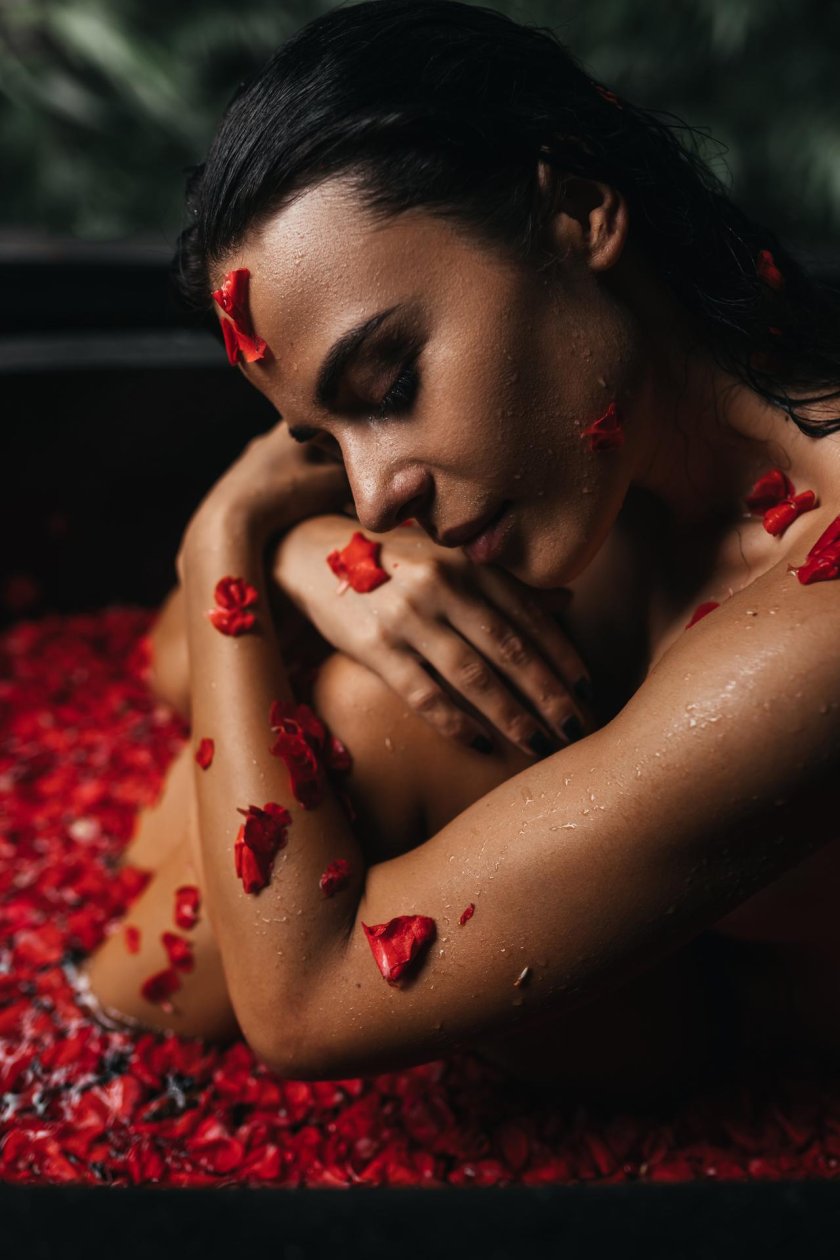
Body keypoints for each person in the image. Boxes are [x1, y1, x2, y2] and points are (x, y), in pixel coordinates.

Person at [81, 0, 840, 1106]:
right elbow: (170, 667)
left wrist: (228, 537)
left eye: (392, 385)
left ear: (580, 211)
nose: (376, 499)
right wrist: (310, 567)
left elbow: (303, 1006)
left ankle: (74, 1048)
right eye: (316, 447)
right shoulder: (602, 467)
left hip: (735, 1092)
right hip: (639, 1004)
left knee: (366, 721)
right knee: (335, 684)